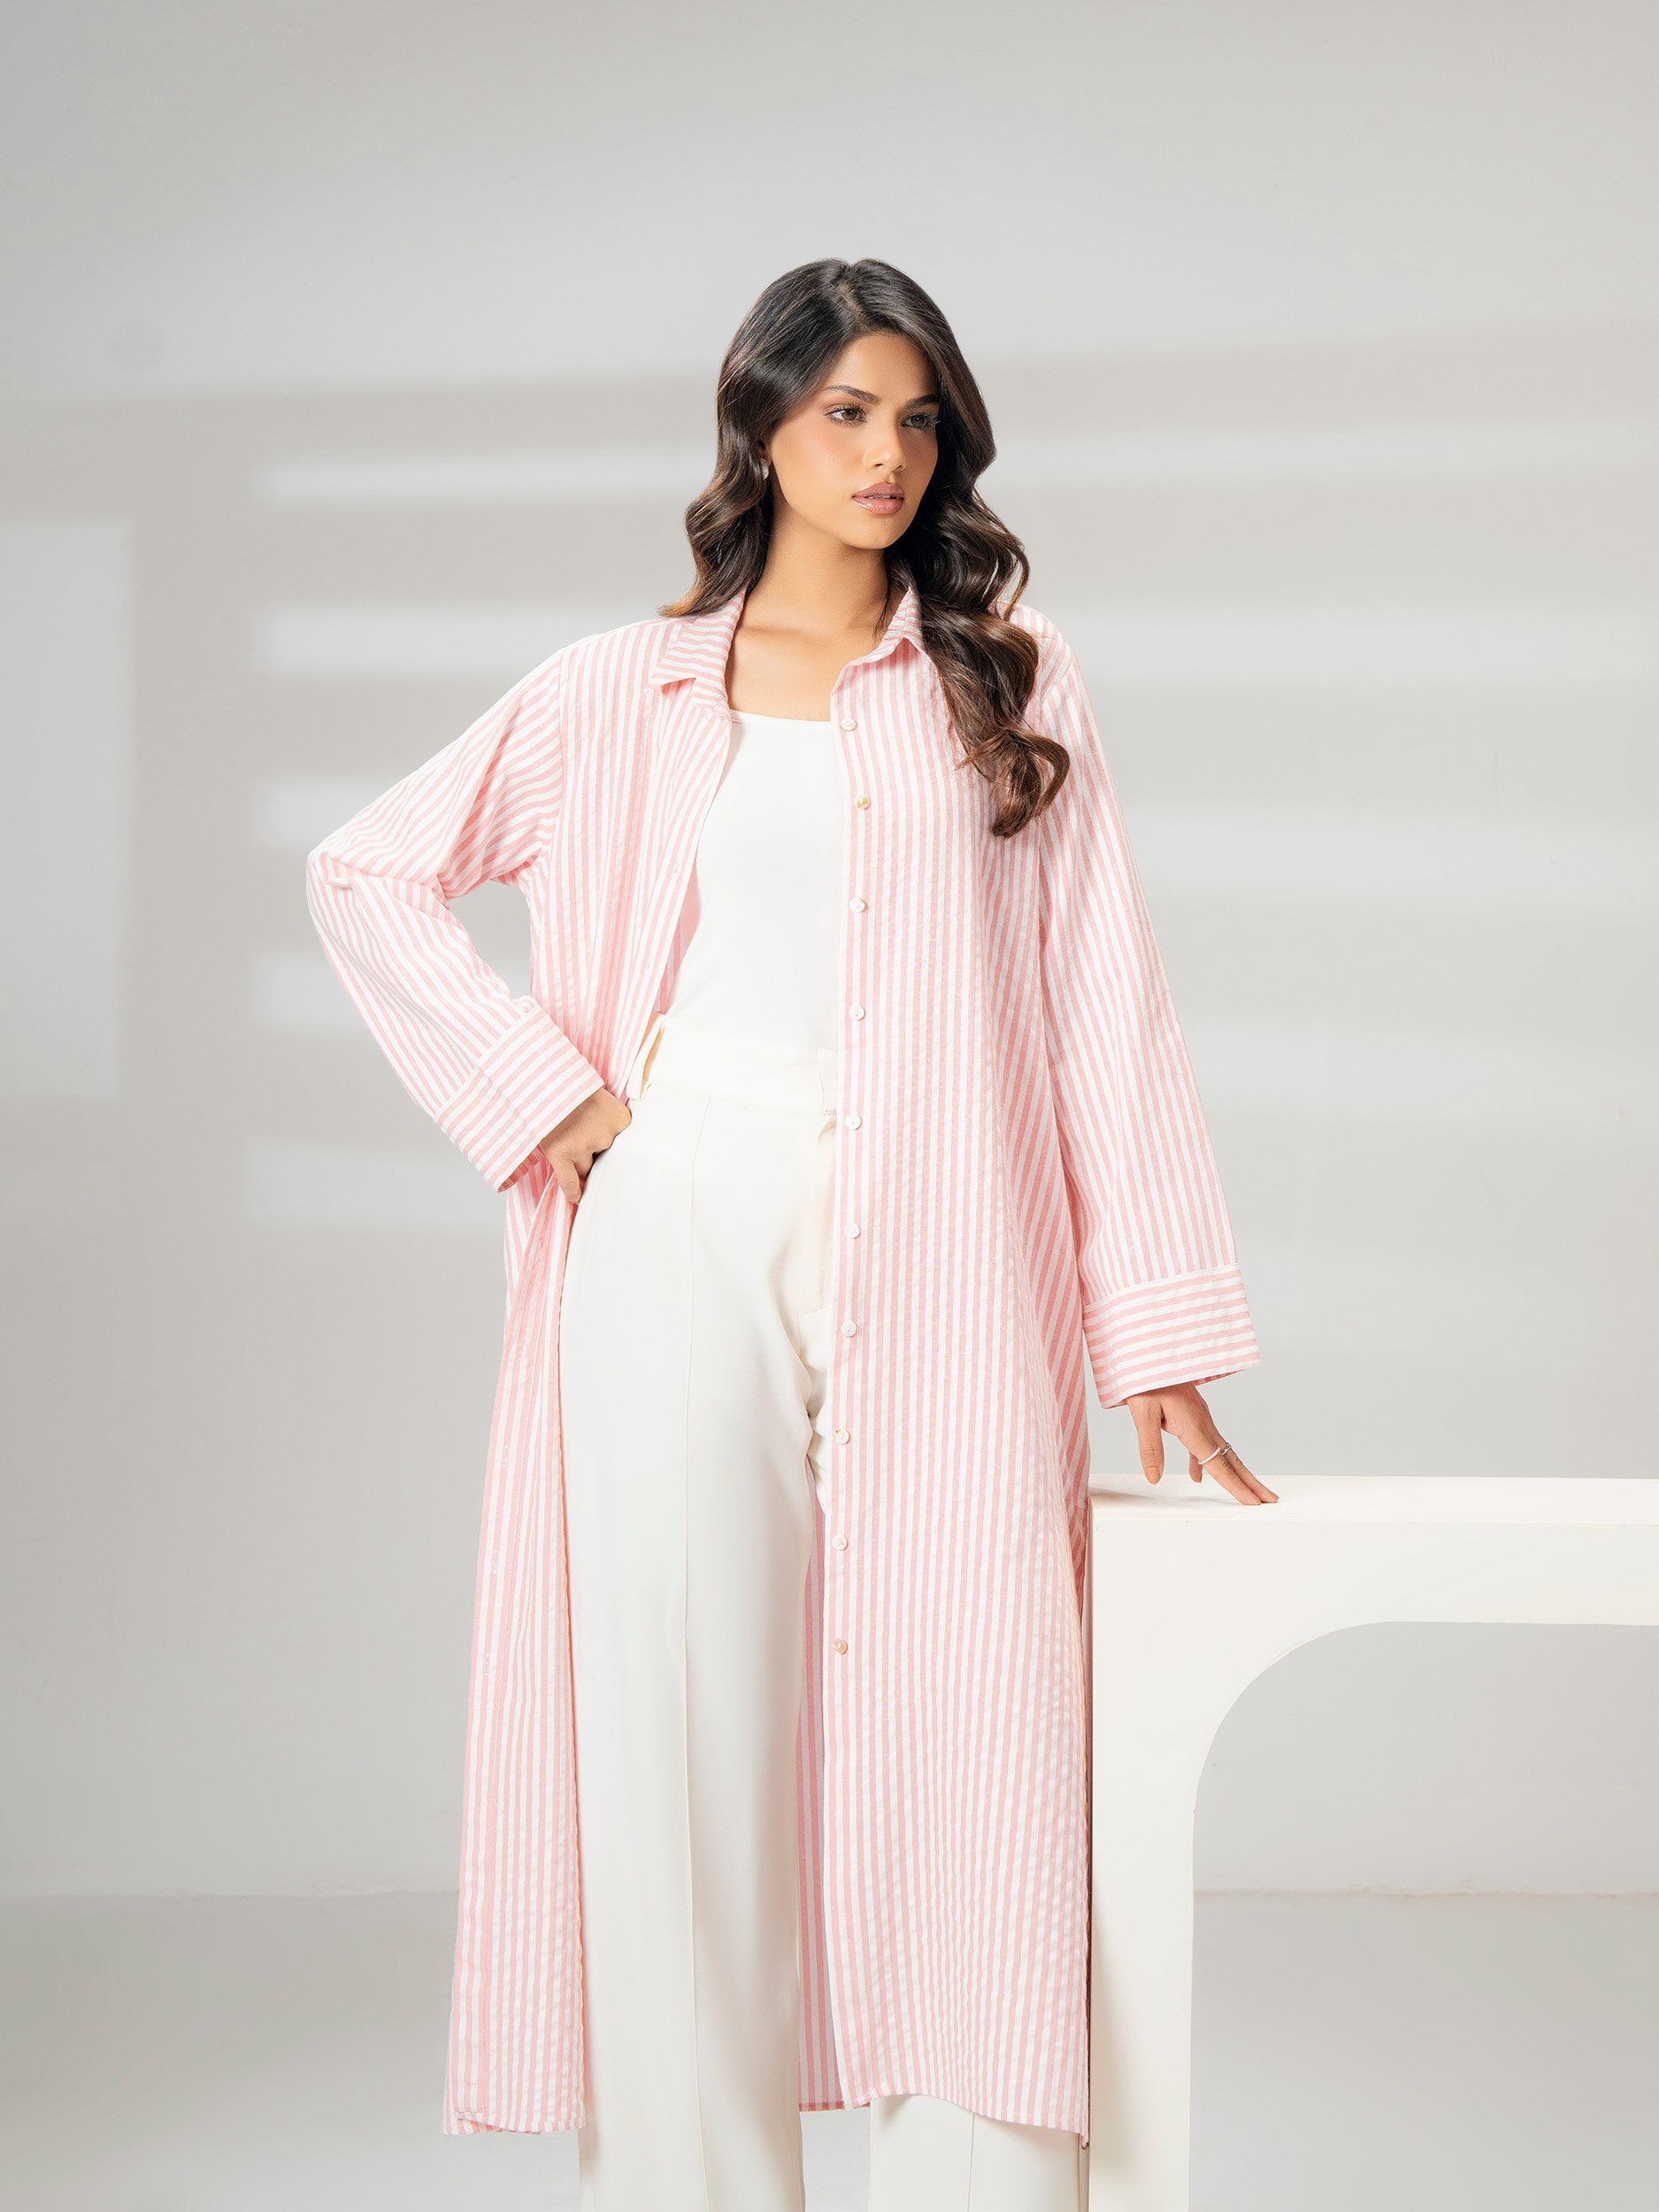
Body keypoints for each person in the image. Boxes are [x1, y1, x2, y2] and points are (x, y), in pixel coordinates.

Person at [306, 256, 1273, 2212]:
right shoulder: (615, 688)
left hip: (955, 1222)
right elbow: (367, 872)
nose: (885, 453)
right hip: (679, 1213)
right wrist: (548, 1097)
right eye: (844, 412)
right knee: (678, 1726)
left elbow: (1102, 998)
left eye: (916, 419)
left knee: (980, 1716)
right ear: (759, 425)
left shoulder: (1012, 678)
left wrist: (1153, 1325)